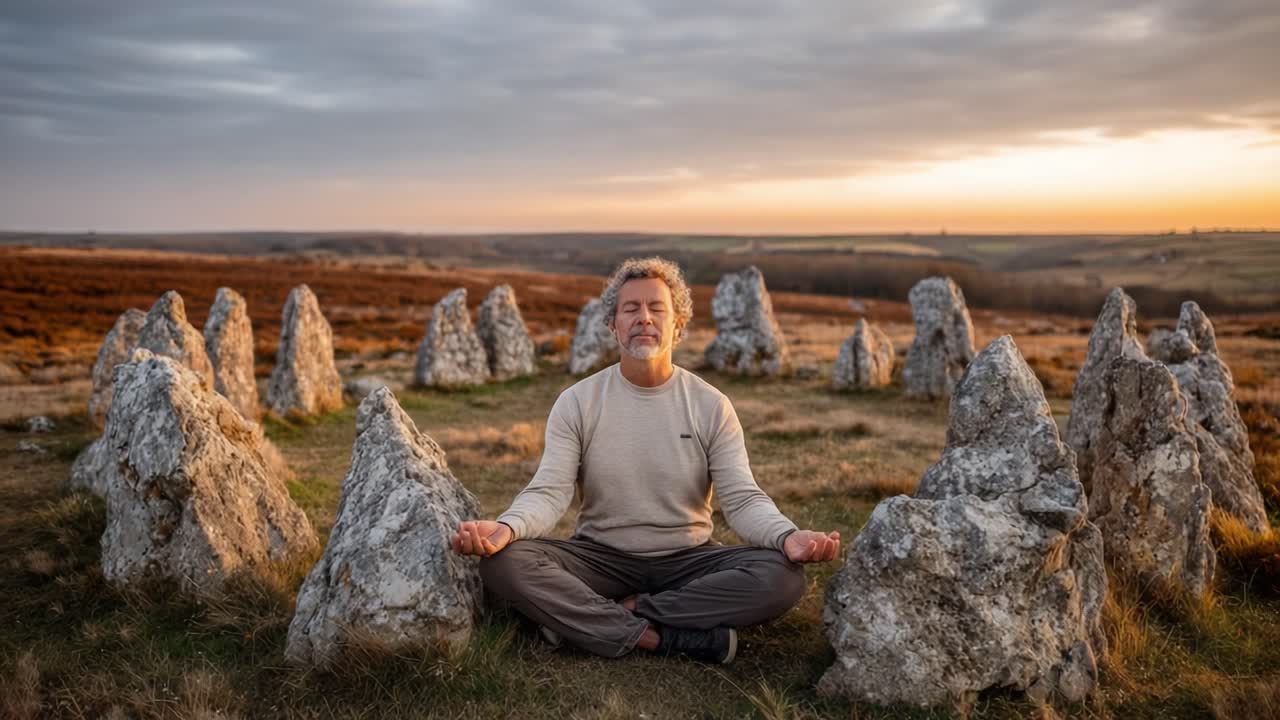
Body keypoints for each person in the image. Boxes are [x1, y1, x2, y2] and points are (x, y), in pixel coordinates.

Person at [451, 257, 840, 664]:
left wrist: (786, 536)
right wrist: (507, 528)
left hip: (688, 558)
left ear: (679, 323)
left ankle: (610, 616)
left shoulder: (711, 405)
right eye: (630, 308)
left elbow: (742, 499)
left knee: (782, 577)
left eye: (657, 308)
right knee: (504, 564)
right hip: (599, 558)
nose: (644, 318)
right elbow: (549, 493)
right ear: (613, 323)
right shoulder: (577, 402)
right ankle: (669, 639)